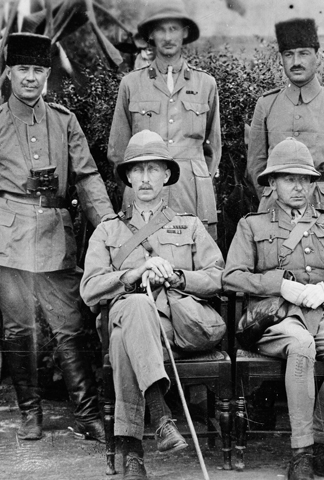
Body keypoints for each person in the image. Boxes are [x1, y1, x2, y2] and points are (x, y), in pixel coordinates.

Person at [0, 33, 115, 442]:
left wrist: (112, 229)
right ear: (9, 73)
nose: (31, 78)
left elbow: (86, 177)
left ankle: (86, 414)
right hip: (8, 242)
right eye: (23, 70)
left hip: (54, 237)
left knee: (70, 326)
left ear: (47, 74)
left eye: (38, 71)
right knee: (18, 330)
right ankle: (30, 413)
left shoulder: (64, 120)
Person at [224, 137, 324, 480]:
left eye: (305, 179)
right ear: (272, 184)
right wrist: (281, 284)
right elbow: (232, 277)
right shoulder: (253, 225)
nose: (298, 187)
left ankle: (319, 439)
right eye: (289, 179)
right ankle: (302, 452)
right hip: (276, 319)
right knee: (301, 345)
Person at [81, 130, 225, 480]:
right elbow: (89, 289)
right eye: (138, 170)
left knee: (122, 340)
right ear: (128, 176)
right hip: (131, 319)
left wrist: (177, 277)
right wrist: (132, 275)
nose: (145, 178)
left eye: (153, 169)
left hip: (178, 328)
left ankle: (133, 454)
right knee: (134, 309)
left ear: (166, 176)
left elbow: (218, 277)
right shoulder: (108, 230)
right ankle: (160, 418)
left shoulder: (189, 227)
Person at [108, 0, 221, 239]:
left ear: (185, 32)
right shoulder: (131, 84)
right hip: (142, 191)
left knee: (196, 264)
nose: (168, 37)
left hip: (192, 193)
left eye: (174, 29)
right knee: (140, 260)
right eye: (161, 29)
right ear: (150, 34)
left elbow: (212, 149)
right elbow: (118, 151)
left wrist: (198, 179)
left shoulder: (205, 84)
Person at [247, 17, 324, 222]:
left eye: (303, 53)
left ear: (317, 57)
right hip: (274, 207)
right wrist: (273, 196)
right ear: (280, 59)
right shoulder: (266, 104)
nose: (296, 62)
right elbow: (256, 165)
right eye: (288, 55)